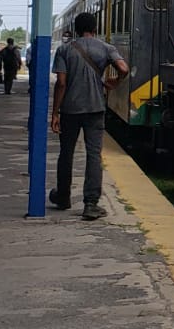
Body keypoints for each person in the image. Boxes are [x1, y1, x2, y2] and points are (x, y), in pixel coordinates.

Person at [49, 12, 128, 220]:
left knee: (66, 153)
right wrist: (115, 82)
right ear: (95, 28)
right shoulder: (106, 48)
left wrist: (55, 112)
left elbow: (62, 83)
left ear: (75, 29)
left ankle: (63, 197)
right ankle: (91, 204)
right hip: (95, 109)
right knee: (94, 155)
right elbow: (123, 68)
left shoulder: (65, 49)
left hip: (69, 110)